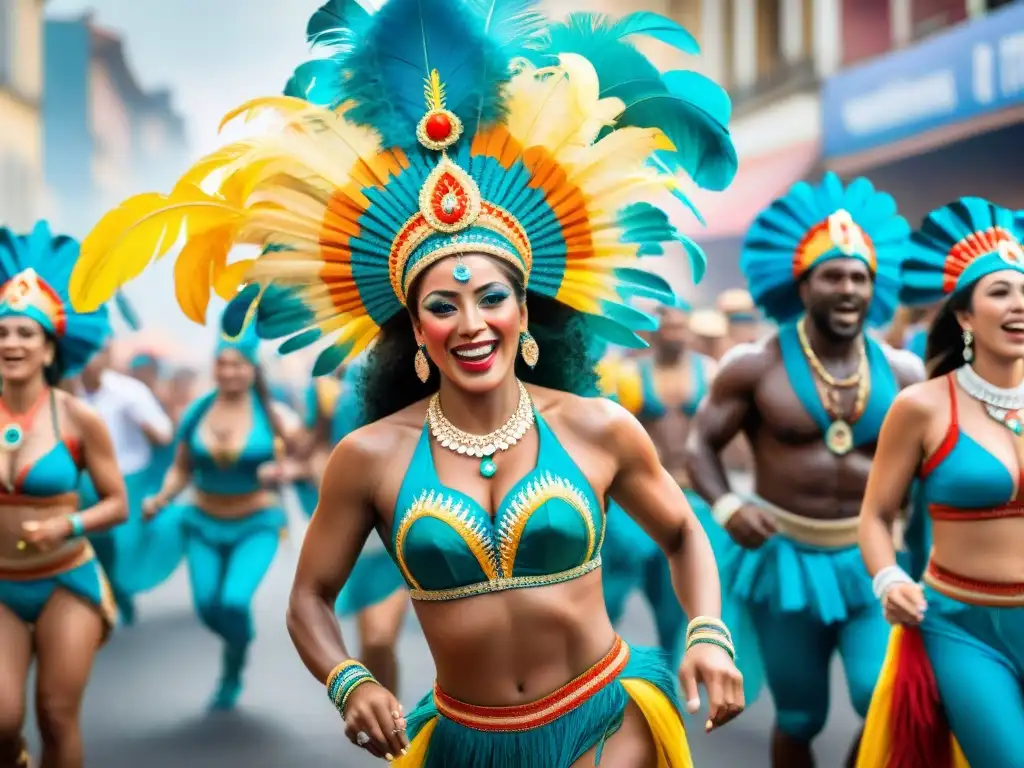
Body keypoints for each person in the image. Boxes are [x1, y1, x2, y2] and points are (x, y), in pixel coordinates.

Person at [67, 1, 745, 764]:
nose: (471, 323)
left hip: (604, 720)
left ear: (526, 312)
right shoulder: (369, 457)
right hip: (465, 741)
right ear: (415, 333)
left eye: (492, 298)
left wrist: (708, 632)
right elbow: (308, 599)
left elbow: (684, 530)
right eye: (442, 306)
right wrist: (349, 681)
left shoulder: (597, 427)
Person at [685, 173, 924, 768]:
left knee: (878, 696)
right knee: (800, 715)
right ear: (802, 283)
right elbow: (700, 446)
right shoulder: (752, 365)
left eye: (860, 277)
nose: (848, 289)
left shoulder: (905, 373)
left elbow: (934, 466)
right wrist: (727, 506)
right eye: (833, 275)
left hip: (871, 559)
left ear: (876, 288)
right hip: (783, 558)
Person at [857, 198, 1024, 768]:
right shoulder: (922, 407)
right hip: (962, 628)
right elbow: (877, 516)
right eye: (1000, 292)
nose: (1018, 304)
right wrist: (887, 578)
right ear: (964, 316)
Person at [0, 222, 127, 768]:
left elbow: (115, 503)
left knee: (55, 714)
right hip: (2, 584)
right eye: (2, 333)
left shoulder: (78, 417)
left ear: (50, 347)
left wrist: (67, 525)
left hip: (65, 581)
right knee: (2, 722)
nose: (10, 344)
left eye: (25, 334)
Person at [141, 317, 307, 711]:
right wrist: (162, 497)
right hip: (202, 522)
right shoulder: (198, 411)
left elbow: (309, 459)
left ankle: (234, 662)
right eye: (223, 363)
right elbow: (181, 466)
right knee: (206, 605)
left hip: (258, 522)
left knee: (232, 602)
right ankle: (234, 642)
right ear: (214, 366)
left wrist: (284, 470)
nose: (230, 371)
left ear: (253, 369)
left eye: (239, 364)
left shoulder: (276, 415)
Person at [603, 301, 719, 667]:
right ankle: (595, 676)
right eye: (667, 327)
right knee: (609, 596)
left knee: (675, 608)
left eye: (680, 326)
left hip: (689, 497)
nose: (675, 334)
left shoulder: (709, 372)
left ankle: (668, 686)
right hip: (637, 500)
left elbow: (724, 435)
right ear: (652, 330)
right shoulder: (629, 374)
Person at [75, 342, 175, 624]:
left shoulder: (129, 392)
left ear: (108, 355)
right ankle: (101, 597)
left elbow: (164, 435)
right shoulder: (66, 392)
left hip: (127, 478)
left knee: (123, 543)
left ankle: (121, 592)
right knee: (87, 542)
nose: (91, 358)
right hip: (84, 481)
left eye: (98, 351)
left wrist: (147, 426)